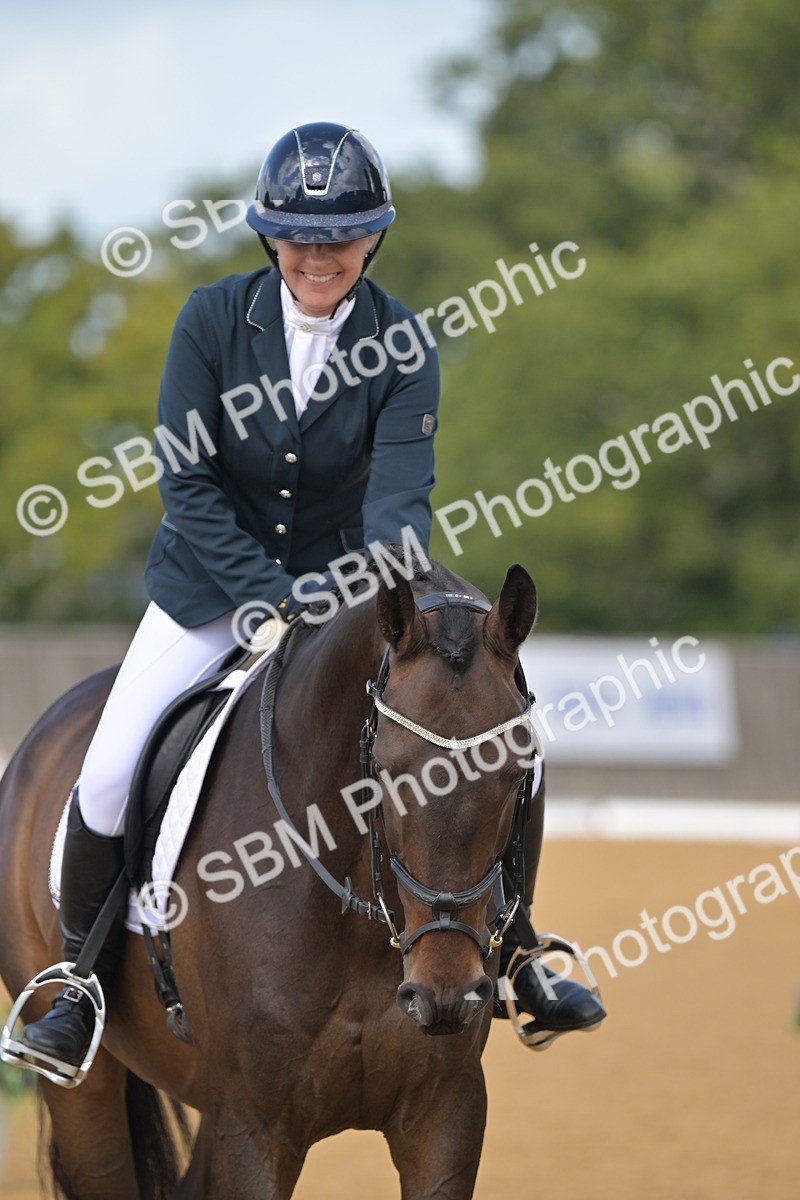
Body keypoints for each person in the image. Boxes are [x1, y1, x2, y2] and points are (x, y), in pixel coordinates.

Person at [16, 121, 603, 1075]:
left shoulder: (402, 341)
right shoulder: (211, 323)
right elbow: (188, 487)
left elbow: (398, 499)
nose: (318, 254)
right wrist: (263, 597)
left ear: (374, 238)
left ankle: (522, 949)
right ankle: (79, 981)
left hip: (359, 598)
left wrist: (351, 601)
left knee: (504, 747)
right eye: (298, 235)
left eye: (340, 236)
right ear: (269, 237)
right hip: (207, 588)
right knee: (116, 769)